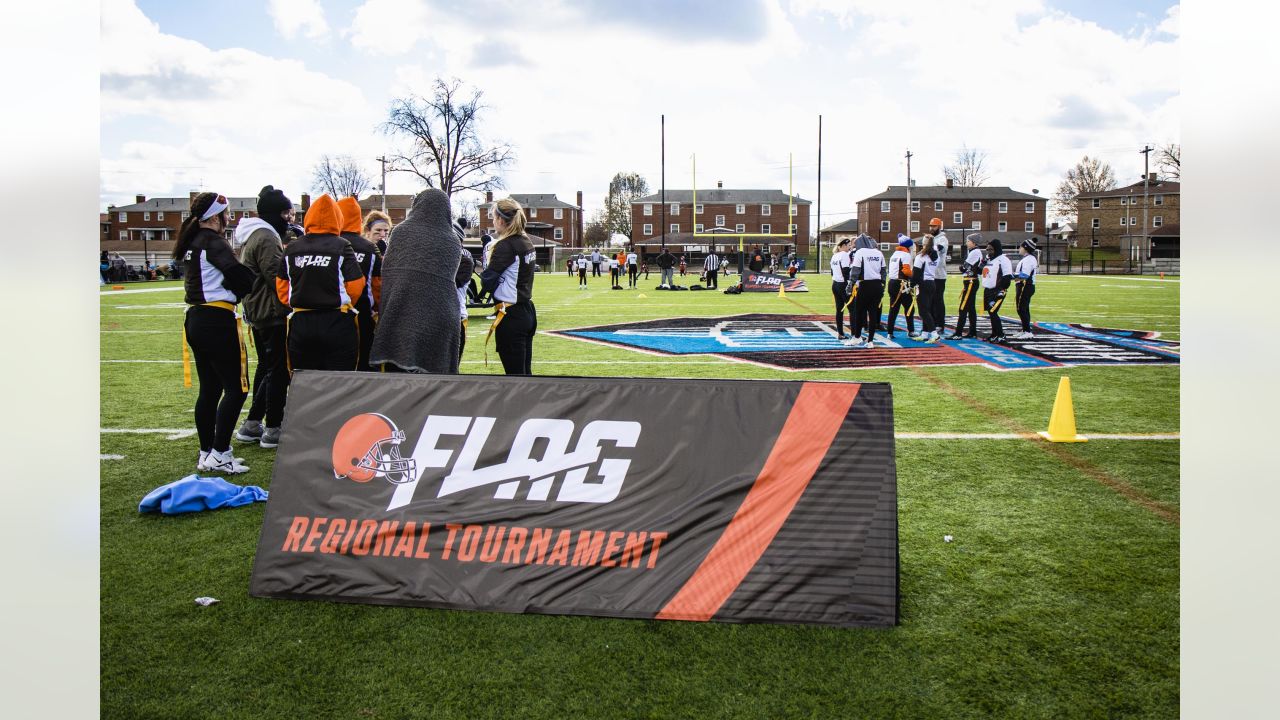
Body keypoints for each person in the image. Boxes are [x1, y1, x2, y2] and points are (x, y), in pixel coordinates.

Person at [176, 192, 256, 474]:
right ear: (214, 216)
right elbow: (241, 277)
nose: (229, 218)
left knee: (210, 389)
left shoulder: (193, 240)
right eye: (226, 213)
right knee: (237, 388)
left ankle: (207, 452)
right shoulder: (213, 241)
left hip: (196, 318)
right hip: (217, 319)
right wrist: (250, 282)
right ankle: (220, 452)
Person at [369, 189, 466, 374]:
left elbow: (389, 275)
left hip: (401, 314)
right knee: (435, 384)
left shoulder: (400, 232)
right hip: (441, 317)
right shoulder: (452, 240)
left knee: (399, 385)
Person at [233, 185, 294, 449]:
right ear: (274, 213)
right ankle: (272, 427)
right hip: (271, 312)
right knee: (278, 371)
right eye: (286, 213)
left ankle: (252, 423)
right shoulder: (266, 237)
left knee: (267, 368)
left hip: (259, 310)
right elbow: (276, 276)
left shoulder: (255, 234)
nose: (289, 219)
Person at [276, 194, 366, 372]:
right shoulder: (342, 245)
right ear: (338, 219)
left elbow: (282, 286)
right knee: (340, 382)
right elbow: (356, 284)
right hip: (336, 322)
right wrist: (344, 303)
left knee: (304, 382)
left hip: (301, 323)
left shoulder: (293, 248)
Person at [480, 196, 538, 375]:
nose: (493, 221)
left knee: (515, 379)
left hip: (511, 314)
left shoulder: (505, 245)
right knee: (525, 375)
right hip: (527, 310)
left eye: (493, 217)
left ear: (500, 220)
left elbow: (487, 281)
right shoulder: (525, 240)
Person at [337, 197, 383, 372]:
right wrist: (377, 307)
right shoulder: (369, 248)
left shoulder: (331, 245)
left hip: (335, 313)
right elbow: (378, 283)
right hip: (364, 311)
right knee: (365, 361)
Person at [846, 234, 886, 348]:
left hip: (865, 285)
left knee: (859, 312)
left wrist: (850, 284)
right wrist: (883, 285)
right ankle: (870, 341)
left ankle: (857, 337)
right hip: (877, 285)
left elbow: (855, 270)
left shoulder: (860, 253)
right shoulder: (879, 253)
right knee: (873, 313)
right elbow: (883, 271)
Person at [949, 233, 985, 340]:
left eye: (968, 241)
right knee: (970, 308)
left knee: (963, 307)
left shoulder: (975, 252)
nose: (966, 242)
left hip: (970, 281)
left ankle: (958, 333)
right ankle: (972, 331)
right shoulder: (975, 251)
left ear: (974, 242)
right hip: (971, 281)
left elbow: (963, 268)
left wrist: (963, 267)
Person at [980, 238, 1013, 344]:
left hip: (998, 290)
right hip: (988, 290)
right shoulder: (989, 259)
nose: (988, 252)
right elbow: (981, 272)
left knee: (993, 312)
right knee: (991, 312)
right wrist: (982, 264)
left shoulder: (1003, 260)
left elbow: (1007, 276)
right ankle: (994, 334)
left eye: (991, 250)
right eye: (987, 250)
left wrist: (1002, 290)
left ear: (997, 249)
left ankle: (1001, 335)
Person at [885, 235, 916, 340]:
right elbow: (906, 270)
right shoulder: (905, 255)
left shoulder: (895, 254)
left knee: (893, 308)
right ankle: (911, 331)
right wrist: (914, 276)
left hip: (892, 282)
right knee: (909, 308)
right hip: (901, 284)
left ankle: (889, 332)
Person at [913, 235, 941, 343]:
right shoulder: (936, 256)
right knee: (927, 309)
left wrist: (912, 284)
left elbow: (916, 273)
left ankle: (934, 333)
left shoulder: (921, 256)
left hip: (923, 284)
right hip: (932, 282)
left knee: (923, 311)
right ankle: (925, 333)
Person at [1012, 238, 1039, 339]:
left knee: (1021, 309)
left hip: (1025, 286)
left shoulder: (1029, 259)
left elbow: (1024, 275)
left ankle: (1027, 331)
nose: (1019, 248)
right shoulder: (1027, 258)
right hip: (1024, 285)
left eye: (1021, 246)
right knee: (1023, 308)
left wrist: (1010, 277)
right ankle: (1025, 330)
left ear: (1026, 248)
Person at [927, 217, 950, 333]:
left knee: (938, 300)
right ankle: (932, 324)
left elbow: (939, 249)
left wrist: (929, 245)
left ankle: (940, 324)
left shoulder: (942, 239)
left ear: (939, 226)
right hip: (930, 274)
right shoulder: (931, 238)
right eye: (931, 226)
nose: (931, 228)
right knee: (930, 301)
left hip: (939, 274)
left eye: (934, 226)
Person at [829, 237, 852, 340]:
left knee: (839, 310)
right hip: (843, 284)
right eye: (848, 245)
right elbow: (846, 271)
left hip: (835, 284)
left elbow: (832, 272)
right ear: (843, 246)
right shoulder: (845, 255)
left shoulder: (834, 256)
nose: (850, 247)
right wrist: (850, 284)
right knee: (853, 309)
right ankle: (856, 335)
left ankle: (840, 333)